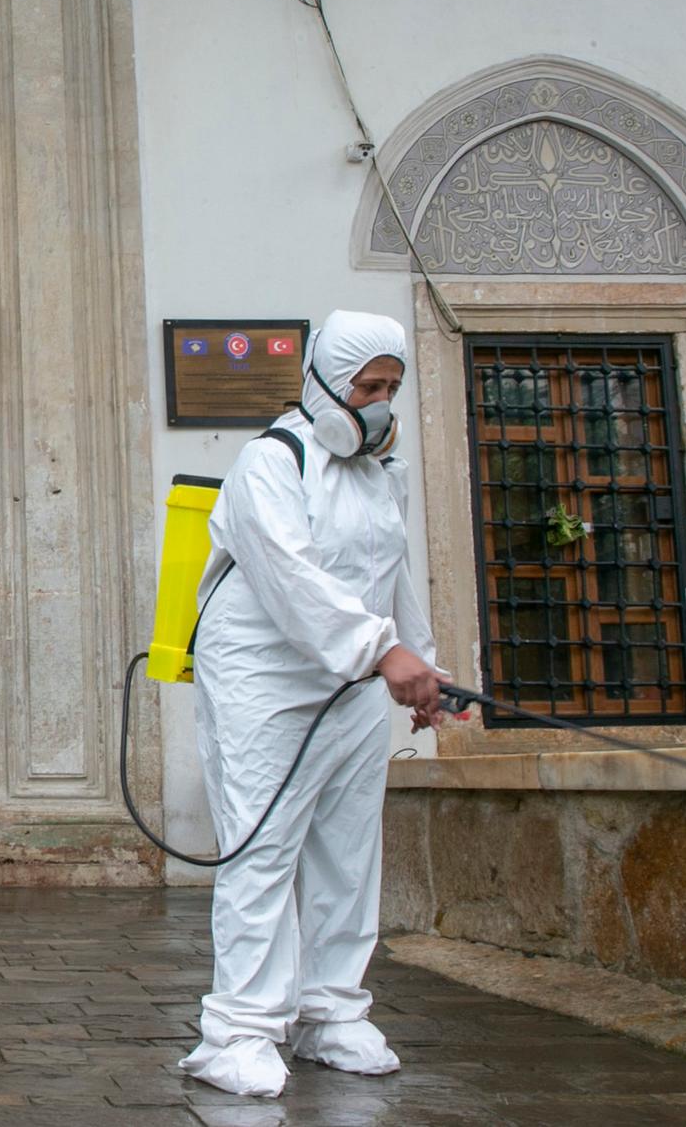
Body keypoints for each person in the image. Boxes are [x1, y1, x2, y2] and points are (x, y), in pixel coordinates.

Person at [180, 310, 447, 1098]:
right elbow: (290, 577)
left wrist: (420, 667)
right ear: (326, 383)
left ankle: (331, 1011)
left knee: (347, 848)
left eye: (391, 387)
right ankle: (240, 1030)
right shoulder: (270, 463)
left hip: (352, 682)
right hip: (264, 680)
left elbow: (393, 574)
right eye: (368, 386)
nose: (380, 402)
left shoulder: (379, 475)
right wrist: (383, 653)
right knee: (262, 848)